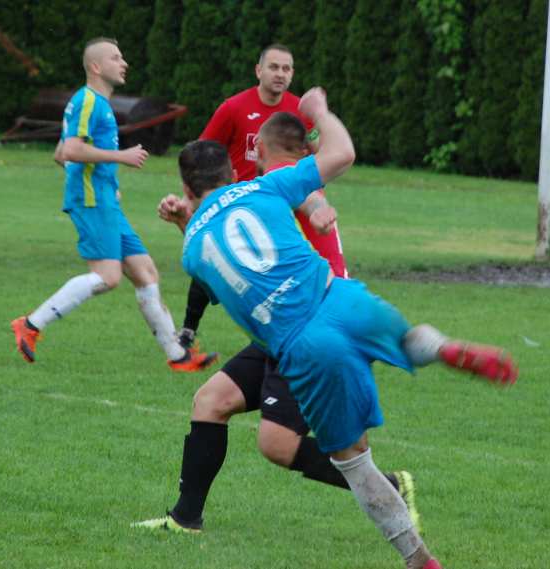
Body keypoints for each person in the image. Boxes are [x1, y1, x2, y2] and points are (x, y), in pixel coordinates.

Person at [169, 90, 517, 569]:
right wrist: (319, 113)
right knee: (407, 342)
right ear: (233, 173)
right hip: (341, 297)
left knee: (355, 464)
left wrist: (186, 223)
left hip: (306, 347)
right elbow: (343, 154)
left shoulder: (192, 247)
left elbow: (213, 269)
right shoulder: (266, 187)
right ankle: (440, 347)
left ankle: (421, 560)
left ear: (187, 190)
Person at [134, 113, 414, 534]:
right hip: (286, 326)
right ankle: (185, 518)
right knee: (211, 401)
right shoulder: (257, 190)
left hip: (304, 327)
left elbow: (307, 202)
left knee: (278, 445)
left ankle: (389, 487)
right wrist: (189, 222)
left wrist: (188, 223)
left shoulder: (271, 182)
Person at [9, 37, 217, 372]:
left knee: (146, 272)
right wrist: (119, 158)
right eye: (116, 57)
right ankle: (30, 325)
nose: (124, 63)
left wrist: (105, 180)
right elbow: (72, 150)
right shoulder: (88, 101)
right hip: (92, 202)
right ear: (96, 66)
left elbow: (61, 154)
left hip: (102, 198)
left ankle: (178, 355)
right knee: (107, 277)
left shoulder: (96, 103)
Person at [178, 42, 337, 350]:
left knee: (291, 266)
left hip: (283, 205)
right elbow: (201, 153)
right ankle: (188, 328)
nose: (280, 74)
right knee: (214, 260)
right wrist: (192, 197)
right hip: (235, 204)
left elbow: (318, 154)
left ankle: (300, 333)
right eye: (274, 67)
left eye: (287, 68)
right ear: (258, 70)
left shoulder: (298, 111)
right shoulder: (234, 107)